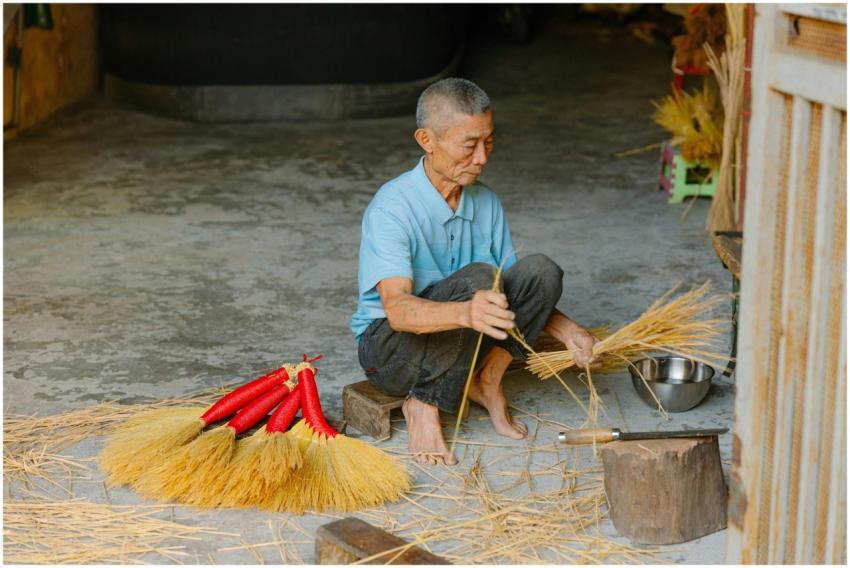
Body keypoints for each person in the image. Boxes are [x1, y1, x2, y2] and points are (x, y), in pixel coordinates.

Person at [351, 78, 597, 465]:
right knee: (482, 279)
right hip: (392, 352)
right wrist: (468, 311)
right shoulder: (393, 208)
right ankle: (424, 403)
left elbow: (517, 294)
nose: (482, 158)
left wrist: (570, 332)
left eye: (489, 142)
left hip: (463, 340)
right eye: (469, 145)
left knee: (541, 272)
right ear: (426, 140)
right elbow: (397, 310)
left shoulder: (486, 202)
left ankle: (487, 380)